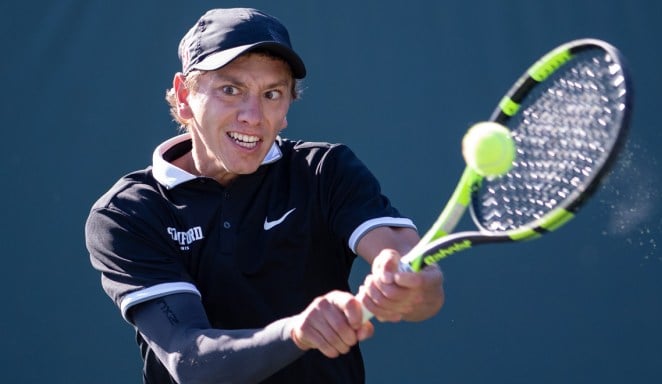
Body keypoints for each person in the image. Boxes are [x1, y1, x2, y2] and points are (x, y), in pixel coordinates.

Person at [85, 7, 444, 384]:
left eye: (272, 93)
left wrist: (411, 286)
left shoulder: (324, 170)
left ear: (287, 106)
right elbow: (191, 359)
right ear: (184, 95)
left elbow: (419, 276)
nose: (253, 116)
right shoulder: (128, 213)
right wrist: (297, 333)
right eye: (231, 90)